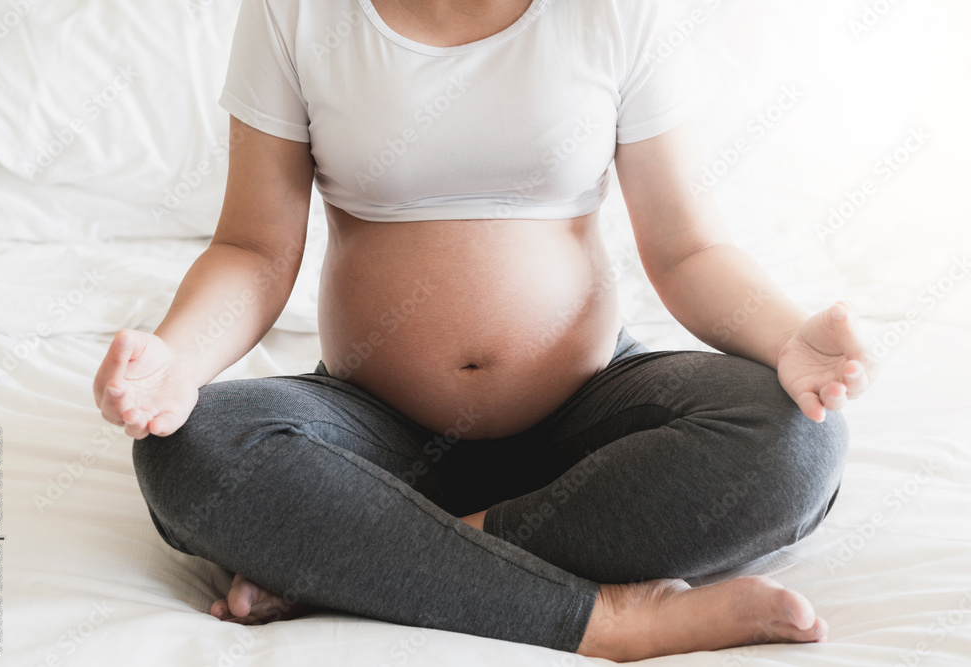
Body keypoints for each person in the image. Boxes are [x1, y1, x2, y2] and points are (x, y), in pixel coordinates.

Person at [93, 0, 874, 661]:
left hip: (588, 420)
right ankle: (614, 622)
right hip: (378, 436)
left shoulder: (612, 10)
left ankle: (363, 560)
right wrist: (178, 358)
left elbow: (687, 249)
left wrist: (783, 338)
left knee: (794, 437)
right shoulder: (298, 11)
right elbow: (255, 250)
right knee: (188, 450)